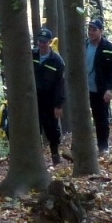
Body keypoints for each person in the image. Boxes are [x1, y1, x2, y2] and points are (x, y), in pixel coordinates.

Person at [86, 17, 112, 155]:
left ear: (101, 31)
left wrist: (110, 89)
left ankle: (103, 147)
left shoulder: (109, 48)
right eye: (89, 29)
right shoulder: (83, 46)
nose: (91, 32)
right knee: (82, 118)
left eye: (94, 29)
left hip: (101, 91)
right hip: (84, 90)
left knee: (101, 119)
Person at [32, 26, 68, 165]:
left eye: (45, 42)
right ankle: (36, 159)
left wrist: (58, 105)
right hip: (34, 100)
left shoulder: (57, 61)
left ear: (49, 42)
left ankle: (55, 155)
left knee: (52, 130)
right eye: (40, 41)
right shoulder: (32, 55)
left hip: (50, 101)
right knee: (35, 129)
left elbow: (60, 84)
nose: (42, 44)